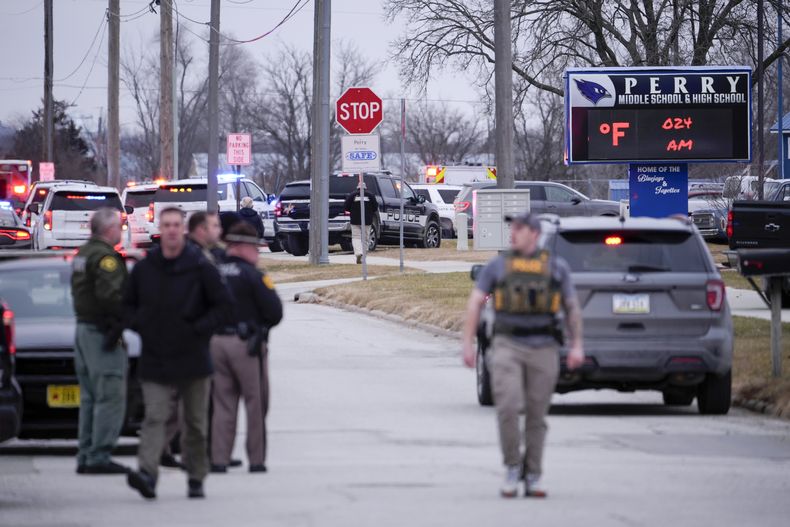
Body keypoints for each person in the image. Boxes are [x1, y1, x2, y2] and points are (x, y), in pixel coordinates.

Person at [461, 212, 584, 499]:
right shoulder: (498, 266)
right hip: (507, 344)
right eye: (512, 228)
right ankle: (512, 467)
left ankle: (534, 474)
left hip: (544, 347)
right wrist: (467, 343)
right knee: (507, 407)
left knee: (536, 414)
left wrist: (577, 345)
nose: (513, 233)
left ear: (535, 234)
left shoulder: (555, 267)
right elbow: (476, 302)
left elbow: (572, 307)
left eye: (519, 228)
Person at [125, 207, 231, 500]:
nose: (171, 230)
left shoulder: (200, 266)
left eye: (176, 225)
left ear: (183, 229)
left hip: (193, 356)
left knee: (195, 423)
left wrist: (200, 328)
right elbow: (127, 305)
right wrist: (141, 325)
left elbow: (223, 305)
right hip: (156, 357)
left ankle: (196, 477)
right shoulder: (147, 267)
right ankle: (147, 473)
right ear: (160, 228)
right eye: (167, 224)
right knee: (154, 417)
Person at [210, 223, 283, 473]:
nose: (258, 253)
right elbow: (275, 311)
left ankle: (219, 458)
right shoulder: (253, 274)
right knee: (256, 402)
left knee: (222, 404)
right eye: (255, 248)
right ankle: (257, 459)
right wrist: (261, 328)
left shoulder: (214, 271)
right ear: (242, 247)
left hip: (216, 343)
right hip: (246, 345)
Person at [70, 208, 130, 475]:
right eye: (118, 226)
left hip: (83, 329)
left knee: (90, 397)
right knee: (109, 394)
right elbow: (111, 296)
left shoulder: (83, 254)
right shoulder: (106, 258)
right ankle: (99, 454)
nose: (121, 230)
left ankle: (85, 452)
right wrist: (124, 319)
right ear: (108, 230)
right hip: (101, 332)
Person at [343, 180, 378, 264]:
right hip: (367, 220)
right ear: (366, 187)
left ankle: (358, 253)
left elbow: (346, 207)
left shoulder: (352, 195)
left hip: (355, 220)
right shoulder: (371, 195)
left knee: (356, 237)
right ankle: (363, 256)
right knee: (365, 238)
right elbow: (375, 207)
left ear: (357, 187)